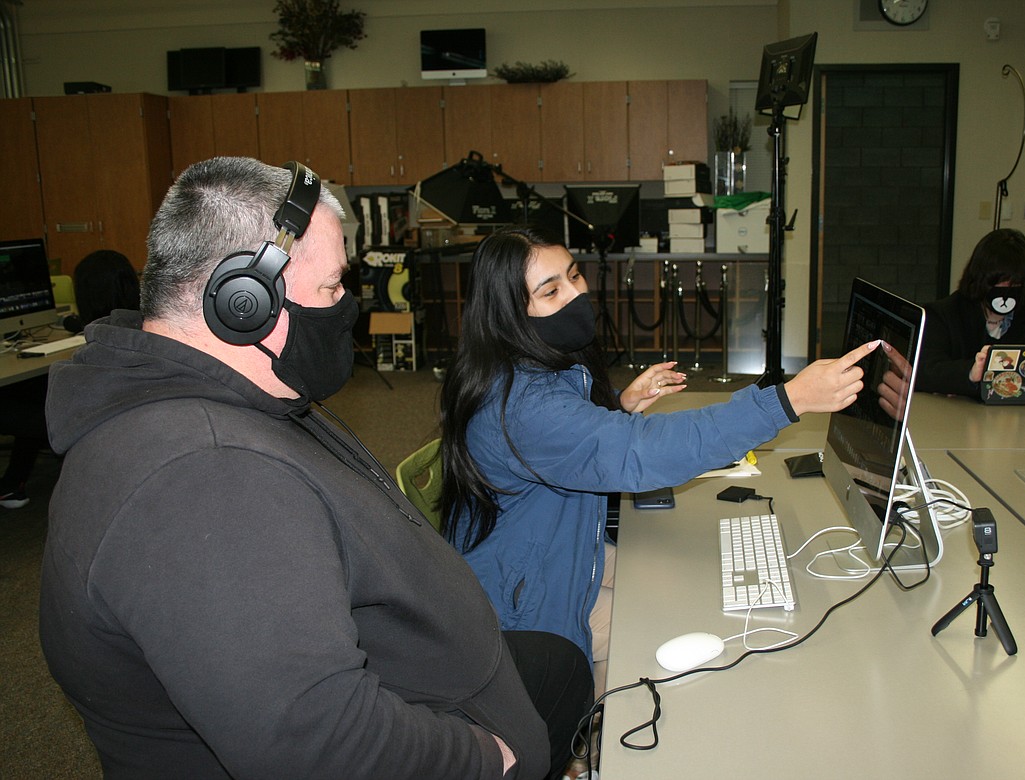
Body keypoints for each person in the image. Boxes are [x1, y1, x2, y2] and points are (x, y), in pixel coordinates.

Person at [39, 157, 592, 780]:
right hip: (425, 736)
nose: (345, 307)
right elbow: (315, 742)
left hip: (405, 669)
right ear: (243, 301)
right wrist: (485, 757)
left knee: (557, 663)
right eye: (332, 287)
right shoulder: (206, 478)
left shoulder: (224, 397)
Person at [439, 226, 880, 690]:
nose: (574, 295)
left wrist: (616, 408)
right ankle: (586, 750)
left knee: (673, 579)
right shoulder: (522, 403)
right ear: (510, 312)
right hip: (522, 601)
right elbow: (638, 452)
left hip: (541, 549)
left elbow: (564, 439)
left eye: (574, 276)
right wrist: (788, 400)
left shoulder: (521, 367)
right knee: (654, 633)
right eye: (551, 291)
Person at [0, 249, 140, 509]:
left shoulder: (98, 342)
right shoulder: (136, 324)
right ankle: (12, 482)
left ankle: (12, 482)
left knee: (19, 398)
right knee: (34, 390)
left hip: (83, 420)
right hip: (113, 421)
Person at [917, 228, 1025, 399]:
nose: (1007, 291)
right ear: (980, 279)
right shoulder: (943, 315)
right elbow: (926, 370)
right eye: (999, 282)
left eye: (1015, 284)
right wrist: (971, 372)